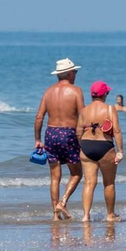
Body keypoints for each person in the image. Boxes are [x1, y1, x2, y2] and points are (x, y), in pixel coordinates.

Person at [34, 59, 85, 220]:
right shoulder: (76, 91)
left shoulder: (48, 92)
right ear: (69, 73)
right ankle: (62, 202)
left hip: (50, 133)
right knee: (76, 174)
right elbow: (83, 117)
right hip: (69, 134)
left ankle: (55, 215)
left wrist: (37, 139)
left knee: (55, 176)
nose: (75, 75)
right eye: (75, 72)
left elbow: (39, 117)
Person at [78, 80, 124, 222]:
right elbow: (116, 130)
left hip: (86, 147)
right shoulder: (110, 109)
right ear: (106, 94)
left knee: (89, 183)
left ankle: (85, 216)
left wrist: (82, 146)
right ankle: (110, 215)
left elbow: (78, 131)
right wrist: (120, 150)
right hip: (105, 147)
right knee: (109, 183)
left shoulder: (84, 110)